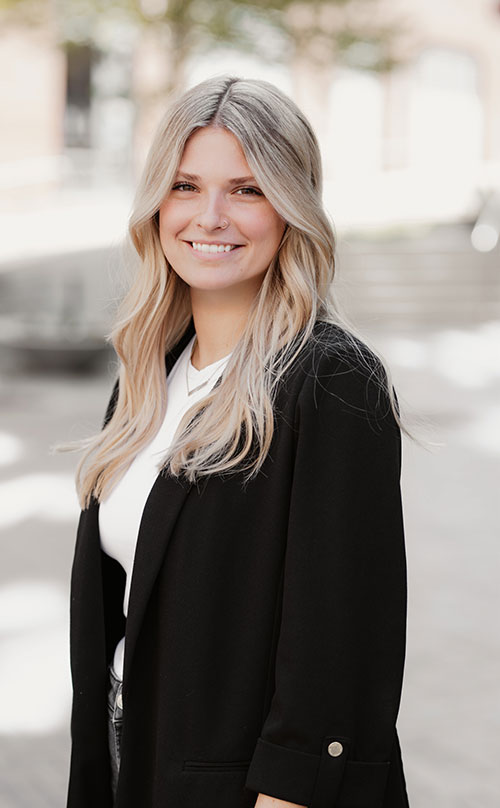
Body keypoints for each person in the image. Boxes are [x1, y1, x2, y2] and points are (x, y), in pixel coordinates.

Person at [66, 75, 411, 808]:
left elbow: (339, 660)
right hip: (136, 763)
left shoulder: (332, 382)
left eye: (247, 190)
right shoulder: (144, 381)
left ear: (291, 209)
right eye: (186, 186)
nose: (210, 216)